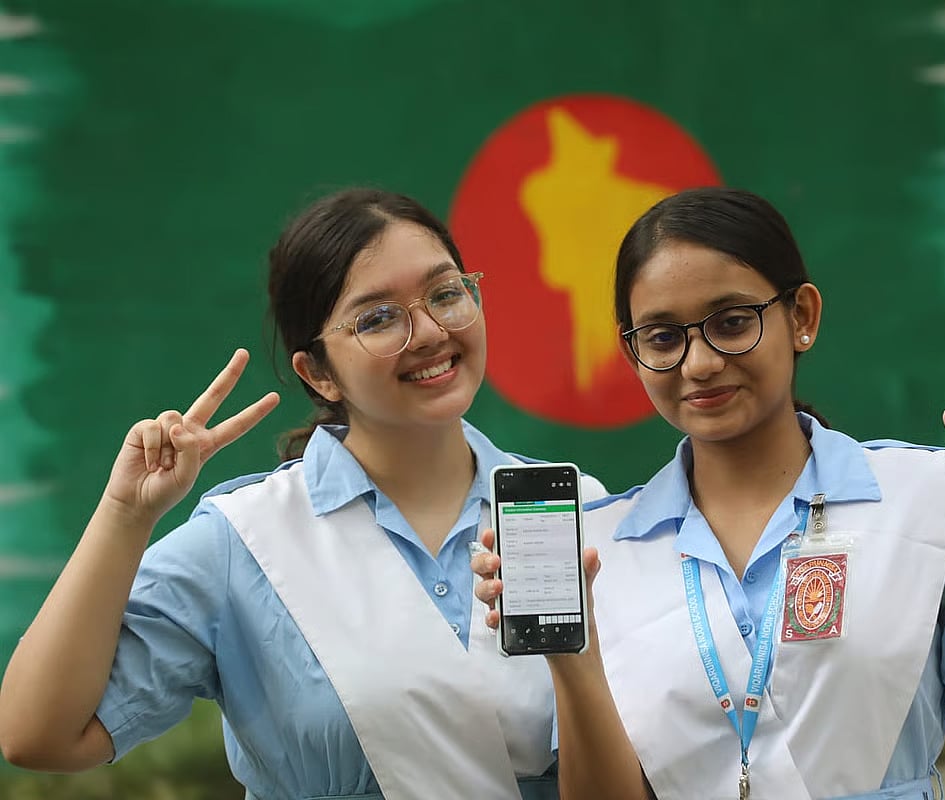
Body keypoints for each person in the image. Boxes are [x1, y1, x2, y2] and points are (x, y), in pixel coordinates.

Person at [474, 187, 945, 800]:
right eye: (662, 338)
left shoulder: (920, 499)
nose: (700, 362)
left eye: (732, 323)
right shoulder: (603, 552)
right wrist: (574, 657)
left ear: (802, 317)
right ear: (633, 353)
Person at [0, 188, 605, 800]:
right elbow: (38, 735)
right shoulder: (247, 538)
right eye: (377, 318)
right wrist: (125, 515)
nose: (428, 332)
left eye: (446, 293)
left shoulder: (574, 509)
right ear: (317, 373)